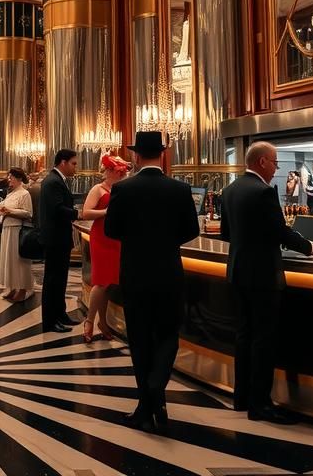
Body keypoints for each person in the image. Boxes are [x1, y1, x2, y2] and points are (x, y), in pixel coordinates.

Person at [104, 131, 200, 433]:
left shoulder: (123, 189)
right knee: (169, 333)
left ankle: (145, 407)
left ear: (135, 156)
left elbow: (111, 230)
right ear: (162, 154)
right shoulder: (180, 189)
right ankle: (157, 387)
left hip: (134, 273)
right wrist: (166, 242)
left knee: (140, 339)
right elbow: (192, 230)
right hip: (169, 272)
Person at [221, 141, 313, 424]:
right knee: (263, 340)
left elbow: (227, 234)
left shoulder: (230, 190)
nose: (277, 168)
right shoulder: (263, 191)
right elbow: (280, 232)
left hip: (237, 272)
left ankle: (241, 398)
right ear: (262, 162)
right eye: (275, 162)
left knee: (244, 335)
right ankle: (260, 405)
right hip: (262, 275)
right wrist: (309, 247)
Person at [82, 154, 130, 343]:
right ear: (109, 171)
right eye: (119, 172)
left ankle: (103, 322)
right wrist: (106, 212)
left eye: (123, 173)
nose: (122, 175)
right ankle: (89, 321)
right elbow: (86, 213)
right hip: (101, 237)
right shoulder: (98, 189)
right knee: (101, 282)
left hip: (116, 238)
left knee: (108, 283)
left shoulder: (121, 190)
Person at [38, 149, 81, 333]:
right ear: (63, 162)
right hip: (55, 238)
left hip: (60, 237)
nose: (75, 167)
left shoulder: (57, 180)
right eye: (73, 163)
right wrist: (78, 213)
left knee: (60, 279)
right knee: (53, 280)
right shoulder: (53, 181)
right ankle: (50, 321)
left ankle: (60, 314)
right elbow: (57, 209)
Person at [0, 167, 34, 302]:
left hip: (17, 230)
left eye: (11, 177)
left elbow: (28, 213)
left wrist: (10, 211)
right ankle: (12, 287)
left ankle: (23, 289)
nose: (9, 179)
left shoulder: (25, 193)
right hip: (7, 228)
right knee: (9, 260)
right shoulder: (10, 194)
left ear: (19, 178)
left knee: (19, 261)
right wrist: (2, 210)